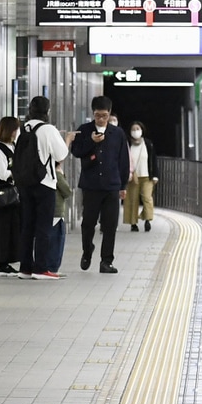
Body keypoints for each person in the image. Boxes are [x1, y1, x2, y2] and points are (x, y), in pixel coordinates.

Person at [70, 95, 130, 273]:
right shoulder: (84, 130)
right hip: (91, 185)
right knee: (88, 223)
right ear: (93, 114)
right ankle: (87, 250)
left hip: (112, 185)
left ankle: (106, 261)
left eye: (104, 115)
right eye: (98, 115)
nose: (101, 119)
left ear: (109, 113)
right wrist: (91, 141)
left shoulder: (118, 133)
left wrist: (123, 186)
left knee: (110, 225)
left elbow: (123, 160)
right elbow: (76, 151)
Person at [16, 95, 70, 280]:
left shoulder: (23, 128)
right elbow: (61, 153)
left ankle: (25, 268)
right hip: (44, 182)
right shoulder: (48, 129)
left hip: (24, 182)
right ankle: (41, 268)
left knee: (27, 225)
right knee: (44, 226)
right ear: (47, 111)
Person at [0, 116, 22, 276]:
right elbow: (2, 174)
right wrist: (19, 173)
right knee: (2, 228)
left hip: (14, 196)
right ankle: (1, 264)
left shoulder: (14, 147)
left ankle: (9, 260)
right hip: (3, 195)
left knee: (13, 228)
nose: (16, 133)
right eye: (15, 129)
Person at [45, 132, 75, 273]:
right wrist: (62, 174)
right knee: (57, 241)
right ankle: (52, 268)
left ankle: (50, 267)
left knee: (51, 240)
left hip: (50, 211)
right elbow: (67, 191)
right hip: (57, 212)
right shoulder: (56, 173)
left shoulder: (46, 171)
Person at [124, 120, 160, 232]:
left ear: (142, 130)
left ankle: (147, 220)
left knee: (147, 198)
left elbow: (153, 159)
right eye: (133, 129)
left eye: (137, 129)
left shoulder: (148, 144)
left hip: (147, 176)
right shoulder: (127, 144)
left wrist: (155, 175)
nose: (136, 131)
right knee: (132, 199)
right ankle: (133, 223)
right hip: (133, 176)